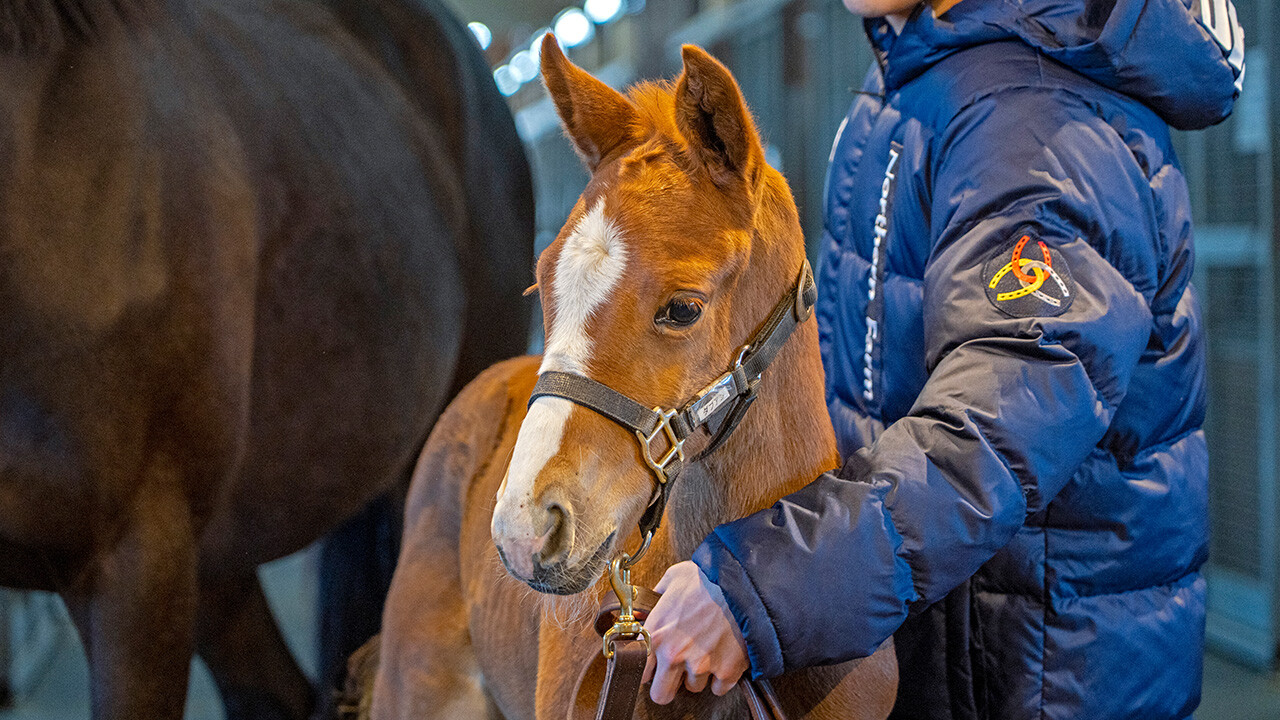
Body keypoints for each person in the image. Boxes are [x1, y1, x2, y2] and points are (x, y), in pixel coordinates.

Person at [641, 0, 1246, 717]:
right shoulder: (919, 81)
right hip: (946, 639)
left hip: (1034, 672)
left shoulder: (1032, 120)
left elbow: (997, 430)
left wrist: (763, 584)